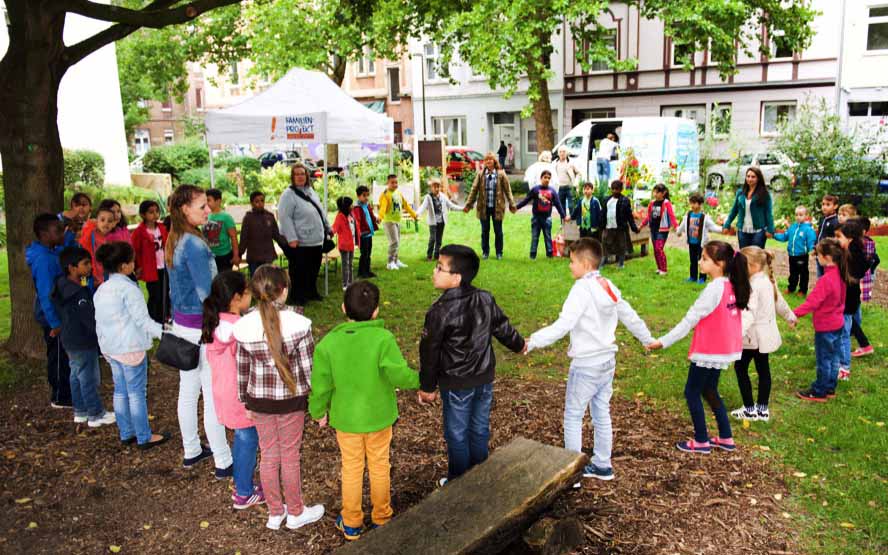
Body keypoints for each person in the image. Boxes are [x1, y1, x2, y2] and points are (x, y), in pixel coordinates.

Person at [525, 238, 653, 483]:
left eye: (572, 262)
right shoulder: (606, 284)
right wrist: (646, 338)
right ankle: (603, 465)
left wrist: (532, 342)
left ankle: (572, 473)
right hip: (606, 362)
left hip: (586, 365)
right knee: (600, 412)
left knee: (573, 415)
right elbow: (628, 313)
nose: (570, 266)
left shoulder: (581, 289)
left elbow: (564, 324)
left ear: (585, 263)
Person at [309, 281, 420, 540]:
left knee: (352, 468)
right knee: (380, 466)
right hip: (379, 418)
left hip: (347, 420)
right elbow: (399, 375)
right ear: (376, 311)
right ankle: (382, 518)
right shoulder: (383, 339)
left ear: (342, 307)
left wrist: (317, 411)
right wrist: (421, 380)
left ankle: (352, 523)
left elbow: (320, 386)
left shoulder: (328, 344)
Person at [418, 244, 525, 484]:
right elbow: (503, 328)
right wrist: (518, 345)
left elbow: (429, 351)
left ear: (456, 278)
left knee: (457, 433)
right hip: (483, 377)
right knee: (478, 428)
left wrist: (427, 387)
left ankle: (459, 481)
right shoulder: (484, 298)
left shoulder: (439, 311)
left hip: (456, 384)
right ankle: (480, 475)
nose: (434, 272)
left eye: (439, 268)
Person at [232, 265, 325, 531]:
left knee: (269, 455)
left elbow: (242, 370)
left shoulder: (244, 328)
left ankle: (275, 513)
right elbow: (309, 371)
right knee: (289, 456)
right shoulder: (300, 324)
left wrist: (245, 402)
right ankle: (295, 512)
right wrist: (318, 406)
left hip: (259, 403)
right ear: (283, 291)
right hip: (291, 403)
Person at [647, 241, 750, 454]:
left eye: (704, 258)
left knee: (692, 391)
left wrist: (663, 341)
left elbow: (689, 320)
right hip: (723, 351)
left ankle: (701, 440)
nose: (699, 261)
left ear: (719, 263)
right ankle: (726, 437)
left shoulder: (714, 289)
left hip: (708, 351)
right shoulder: (732, 284)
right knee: (709, 389)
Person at [165, 184, 233, 474]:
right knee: (211, 391)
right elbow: (206, 291)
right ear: (185, 210)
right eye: (202, 206)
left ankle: (192, 449)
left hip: (183, 324)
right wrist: (226, 313)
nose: (208, 210)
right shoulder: (193, 243)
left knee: (189, 390)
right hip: (201, 327)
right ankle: (223, 459)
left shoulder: (177, 237)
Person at [93, 241, 169, 449]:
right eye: (133, 260)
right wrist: (166, 334)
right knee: (136, 392)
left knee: (120, 391)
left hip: (110, 348)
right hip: (130, 347)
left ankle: (126, 432)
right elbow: (143, 321)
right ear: (125, 266)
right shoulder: (129, 289)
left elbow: (99, 321)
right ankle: (144, 436)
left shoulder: (101, 290)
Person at [202, 270, 264, 510]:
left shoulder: (217, 320)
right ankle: (244, 492)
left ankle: (242, 482)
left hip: (225, 391)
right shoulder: (235, 327)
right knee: (247, 438)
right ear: (237, 298)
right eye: (249, 293)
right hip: (238, 395)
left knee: (243, 437)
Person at [50, 246, 114, 428]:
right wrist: (102, 336)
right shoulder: (78, 294)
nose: (90, 267)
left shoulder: (62, 285)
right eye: (85, 264)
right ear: (72, 268)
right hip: (82, 340)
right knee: (88, 378)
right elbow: (89, 319)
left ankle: (80, 411)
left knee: (76, 374)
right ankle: (95, 414)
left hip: (69, 339)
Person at [730, 247, 797, 422]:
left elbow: (749, 313)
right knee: (763, 369)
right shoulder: (768, 280)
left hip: (752, 337)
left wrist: (736, 333)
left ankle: (750, 409)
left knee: (740, 368)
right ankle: (762, 409)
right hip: (765, 338)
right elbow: (779, 301)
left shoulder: (752, 285)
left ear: (752, 265)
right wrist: (790, 316)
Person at [26, 214, 73, 408]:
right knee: (59, 355)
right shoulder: (43, 260)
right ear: (45, 234)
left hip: (60, 312)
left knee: (63, 353)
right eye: (58, 230)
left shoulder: (52, 250)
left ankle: (65, 389)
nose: (62, 233)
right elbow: (46, 295)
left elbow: (64, 247)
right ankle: (60, 396)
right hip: (53, 317)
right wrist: (55, 323)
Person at [793, 239, 848, 402]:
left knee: (824, 359)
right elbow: (842, 299)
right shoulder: (840, 273)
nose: (817, 257)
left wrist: (794, 314)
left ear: (827, 257)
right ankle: (830, 387)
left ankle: (819, 390)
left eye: (818, 255)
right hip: (838, 323)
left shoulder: (826, 280)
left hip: (826, 327)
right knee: (834, 357)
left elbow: (812, 302)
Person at [278, 163, 332, 305]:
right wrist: (292, 238)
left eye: (302, 174)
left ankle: (311, 292)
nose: (300, 177)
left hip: (316, 240)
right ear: (292, 177)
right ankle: (298, 296)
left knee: (314, 269)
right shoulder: (288, 195)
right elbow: (285, 217)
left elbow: (320, 210)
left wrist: (328, 226)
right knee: (299, 271)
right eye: (297, 174)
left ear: (307, 176)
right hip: (300, 241)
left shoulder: (311, 191)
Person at [464, 153, 517, 260]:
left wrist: (512, 204)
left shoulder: (501, 174)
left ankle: (499, 253)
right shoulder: (480, 175)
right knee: (485, 231)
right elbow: (474, 190)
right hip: (484, 208)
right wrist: (468, 205)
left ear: (494, 161)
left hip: (497, 208)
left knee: (498, 231)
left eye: (490, 159)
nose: (488, 161)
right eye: (486, 160)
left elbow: (508, 190)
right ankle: (485, 252)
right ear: (485, 162)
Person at [835, 221, 868, 382]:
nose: (837, 240)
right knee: (841, 333)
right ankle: (839, 363)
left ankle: (844, 368)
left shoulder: (853, 256)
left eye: (839, 237)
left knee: (843, 335)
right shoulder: (851, 252)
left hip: (847, 303)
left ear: (849, 238)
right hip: (847, 301)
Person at [515, 169, 569, 259]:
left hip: (547, 218)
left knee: (547, 237)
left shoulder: (552, 191)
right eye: (545, 177)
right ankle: (532, 255)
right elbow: (526, 200)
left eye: (549, 178)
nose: (547, 179)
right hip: (536, 218)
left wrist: (564, 216)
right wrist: (516, 207)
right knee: (535, 237)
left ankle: (550, 254)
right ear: (541, 178)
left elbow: (558, 205)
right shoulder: (535, 189)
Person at [131, 200, 169, 324]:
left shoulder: (162, 228)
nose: (155, 215)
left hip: (164, 266)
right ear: (143, 215)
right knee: (155, 295)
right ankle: (152, 319)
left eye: (157, 211)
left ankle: (164, 317)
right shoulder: (139, 232)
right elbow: (135, 251)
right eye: (151, 212)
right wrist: (138, 266)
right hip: (150, 269)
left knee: (165, 293)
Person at [675, 193, 722, 284]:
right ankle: (693, 277)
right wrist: (678, 232)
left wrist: (723, 229)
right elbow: (682, 226)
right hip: (691, 243)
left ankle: (702, 278)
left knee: (702, 261)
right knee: (693, 260)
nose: (692, 205)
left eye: (694, 203)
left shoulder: (704, 218)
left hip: (701, 244)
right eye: (691, 203)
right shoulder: (688, 216)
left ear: (700, 204)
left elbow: (713, 227)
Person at [722, 167, 774, 248]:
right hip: (742, 231)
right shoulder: (740, 193)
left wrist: (770, 229)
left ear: (758, 178)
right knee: (744, 257)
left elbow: (769, 213)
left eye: (753, 177)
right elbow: (734, 210)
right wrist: (727, 224)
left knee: (756, 257)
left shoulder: (765, 194)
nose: (750, 179)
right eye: (748, 176)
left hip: (758, 232)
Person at [417, 178, 464, 261]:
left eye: (438, 187)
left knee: (439, 239)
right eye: (434, 187)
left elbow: (451, 205)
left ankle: (436, 255)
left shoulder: (443, 196)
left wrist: (462, 208)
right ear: (431, 188)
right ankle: (429, 256)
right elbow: (422, 207)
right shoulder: (428, 197)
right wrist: (416, 214)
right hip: (433, 222)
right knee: (432, 239)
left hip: (442, 221)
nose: (436, 189)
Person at [377, 173, 418, 271]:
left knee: (397, 242)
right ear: (388, 183)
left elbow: (406, 205)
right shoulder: (386, 195)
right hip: (389, 221)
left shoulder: (398, 193)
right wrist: (380, 217)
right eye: (392, 183)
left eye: (396, 182)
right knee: (394, 242)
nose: (395, 184)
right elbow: (382, 208)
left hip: (397, 221)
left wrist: (414, 214)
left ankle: (395, 260)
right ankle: (390, 262)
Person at [239, 191, 284, 276]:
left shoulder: (269, 216)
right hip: (254, 257)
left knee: (268, 280)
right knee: (256, 280)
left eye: (262, 201)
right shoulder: (248, 218)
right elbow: (243, 238)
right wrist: (239, 254)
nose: (260, 203)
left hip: (268, 256)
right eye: (257, 201)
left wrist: (286, 245)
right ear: (252, 203)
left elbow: (276, 235)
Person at [639, 184, 678, 275]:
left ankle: (664, 269)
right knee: (655, 250)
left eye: (657, 192)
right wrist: (641, 225)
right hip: (653, 229)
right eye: (654, 192)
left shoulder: (666, 203)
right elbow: (649, 216)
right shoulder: (652, 203)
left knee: (659, 248)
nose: (655, 194)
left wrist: (676, 226)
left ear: (663, 193)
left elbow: (671, 215)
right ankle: (659, 268)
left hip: (662, 230)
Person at [853, 217, 878, 358]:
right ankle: (862, 341)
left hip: (858, 282)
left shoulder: (863, 244)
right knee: (851, 311)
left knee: (851, 311)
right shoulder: (861, 243)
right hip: (856, 281)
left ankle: (864, 343)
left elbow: (870, 262)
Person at [602, 180, 638, 268]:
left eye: (617, 189)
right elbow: (603, 213)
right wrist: (600, 224)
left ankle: (621, 262)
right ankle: (604, 260)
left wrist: (634, 228)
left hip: (620, 227)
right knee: (605, 242)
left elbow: (629, 215)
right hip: (608, 226)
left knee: (621, 244)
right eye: (613, 189)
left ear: (621, 189)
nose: (615, 191)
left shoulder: (624, 200)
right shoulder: (607, 200)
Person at [79, 203, 117, 286]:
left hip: (100, 277)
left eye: (110, 221)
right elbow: (83, 241)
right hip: (86, 275)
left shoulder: (107, 240)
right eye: (102, 220)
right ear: (96, 221)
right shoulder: (91, 234)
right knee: (85, 293)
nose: (106, 223)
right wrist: (91, 224)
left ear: (114, 224)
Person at [203, 189, 240, 271]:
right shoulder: (205, 216)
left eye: (209, 200)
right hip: (209, 256)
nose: (207, 203)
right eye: (206, 201)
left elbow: (233, 237)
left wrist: (236, 256)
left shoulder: (226, 217)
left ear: (218, 201)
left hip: (224, 256)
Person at [352, 185, 380, 278]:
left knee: (368, 253)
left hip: (369, 233)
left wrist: (375, 220)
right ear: (358, 196)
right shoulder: (356, 208)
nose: (366, 197)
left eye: (367, 195)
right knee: (364, 254)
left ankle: (367, 271)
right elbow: (357, 221)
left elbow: (370, 215)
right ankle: (362, 272)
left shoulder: (367, 205)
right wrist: (359, 232)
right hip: (363, 234)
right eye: (364, 195)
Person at [332, 196, 358, 291]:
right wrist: (329, 234)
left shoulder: (351, 215)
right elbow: (334, 228)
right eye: (350, 204)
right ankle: (345, 284)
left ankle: (350, 282)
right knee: (345, 265)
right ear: (345, 206)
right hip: (344, 245)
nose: (352, 206)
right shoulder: (340, 217)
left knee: (350, 264)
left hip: (351, 244)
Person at [815, 194, 840, 277]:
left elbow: (835, 239)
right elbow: (819, 235)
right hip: (820, 253)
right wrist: (815, 247)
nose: (824, 207)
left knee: (827, 276)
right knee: (820, 274)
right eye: (823, 204)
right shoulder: (823, 219)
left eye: (828, 204)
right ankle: (821, 288)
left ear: (835, 206)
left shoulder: (835, 222)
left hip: (828, 255)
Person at [553, 146, 580, 213]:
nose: (562, 153)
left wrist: (576, 183)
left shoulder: (571, 162)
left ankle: (572, 222)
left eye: (564, 151)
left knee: (571, 206)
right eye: (560, 152)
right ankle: (563, 222)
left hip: (570, 187)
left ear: (567, 153)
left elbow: (579, 173)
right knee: (561, 207)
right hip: (559, 188)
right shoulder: (554, 163)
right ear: (558, 153)